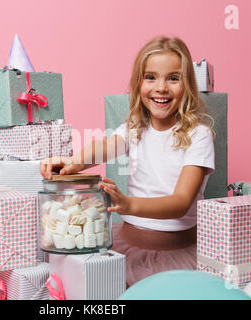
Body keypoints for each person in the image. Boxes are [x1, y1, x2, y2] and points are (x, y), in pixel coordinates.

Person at [40, 36, 215, 287]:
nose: (161, 87)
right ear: (138, 83)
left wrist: (128, 204)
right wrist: (73, 162)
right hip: (128, 247)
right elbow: (104, 147)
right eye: (150, 77)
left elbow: (180, 203)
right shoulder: (135, 128)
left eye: (173, 78)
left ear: (187, 85)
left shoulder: (198, 135)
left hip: (178, 254)